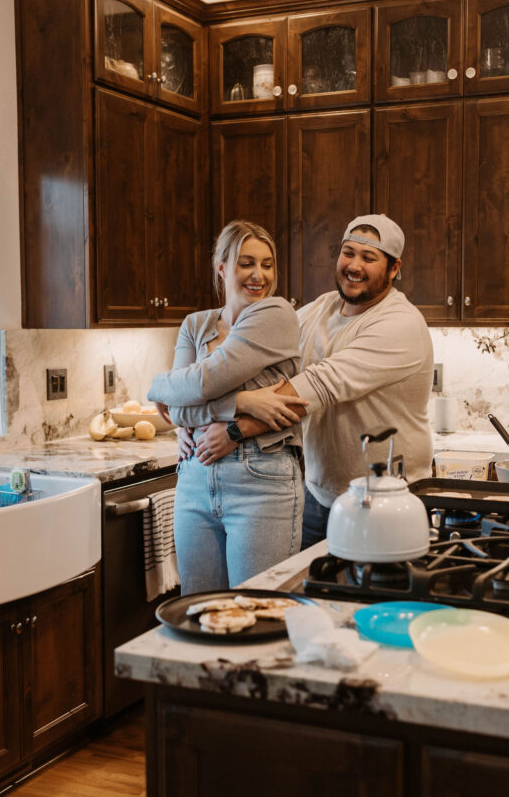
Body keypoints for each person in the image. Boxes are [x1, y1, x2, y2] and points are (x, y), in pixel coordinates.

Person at [183, 214, 434, 549]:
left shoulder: (400, 323)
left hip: (386, 500)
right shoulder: (320, 309)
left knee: (366, 599)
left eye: (368, 258)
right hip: (317, 493)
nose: (354, 266)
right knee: (309, 598)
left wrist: (234, 430)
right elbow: (240, 362)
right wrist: (185, 413)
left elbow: (318, 386)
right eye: (348, 252)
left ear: (393, 268)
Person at [147, 220, 306, 592]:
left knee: (256, 612)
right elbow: (177, 409)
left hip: (262, 479)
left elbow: (200, 385)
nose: (259, 275)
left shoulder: (277, 315)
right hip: (194, 478)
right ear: (222, 267)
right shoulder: (195, 325)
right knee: (199, 613)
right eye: (246, 262)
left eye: (267, 264)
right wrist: (243, 401)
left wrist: (158, 387)